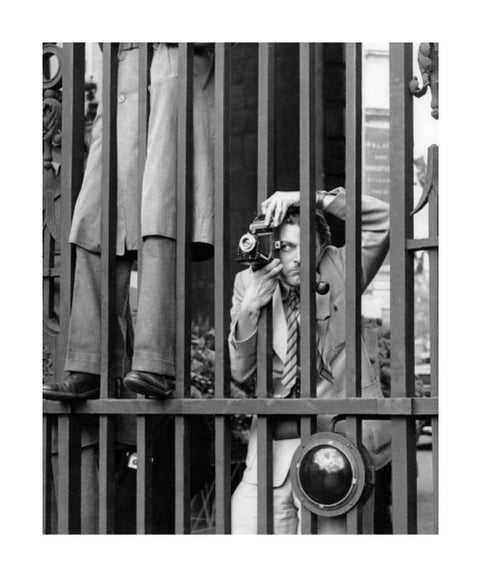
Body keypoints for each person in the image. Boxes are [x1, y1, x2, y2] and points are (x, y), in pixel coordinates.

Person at [43, 42, 215, 401]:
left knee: (160, 214)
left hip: (171, 70)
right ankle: (89, 365)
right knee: (94, 220)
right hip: (123, 82)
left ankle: (155, 363)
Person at [228, 187, 392, 534]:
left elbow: (384, 221)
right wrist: (249, 310)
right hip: (273, 447)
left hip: (340, 445)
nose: (296, 258)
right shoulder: (248, 281)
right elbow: (240, 372)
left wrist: (308, 196)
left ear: (321, 248)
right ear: (271, 247)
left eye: (305, 246)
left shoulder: (340, 266)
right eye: (286, 247)